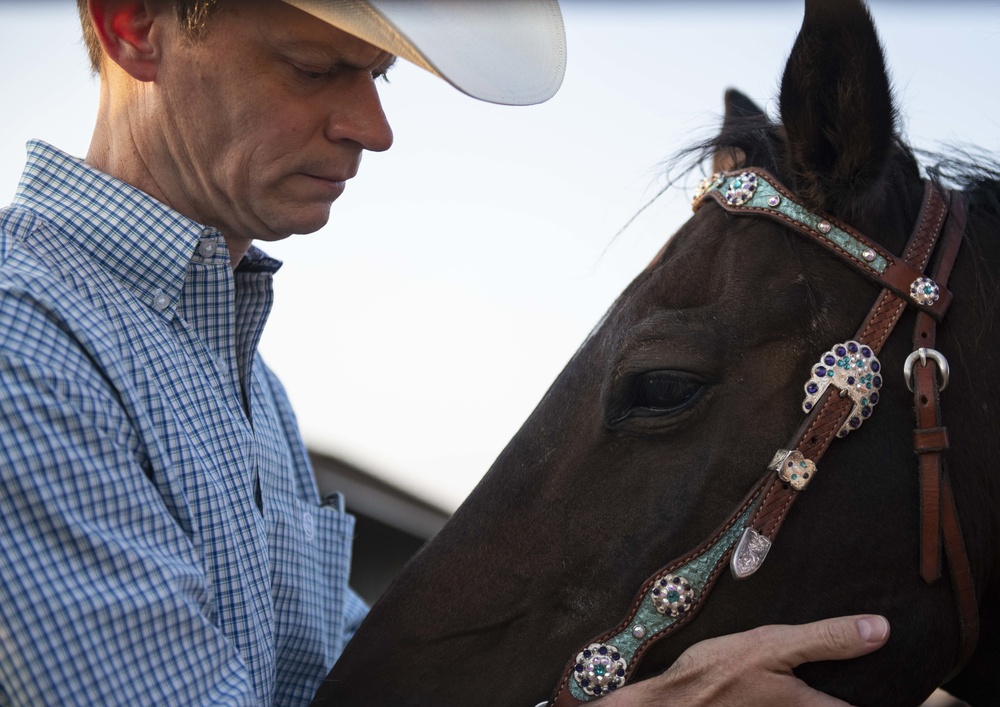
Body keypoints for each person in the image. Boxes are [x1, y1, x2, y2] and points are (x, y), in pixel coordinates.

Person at [0, 1, 888, 704]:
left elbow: (348, 686)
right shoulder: (24, 343)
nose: (374, 127)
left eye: (379, 75)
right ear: (132, 27)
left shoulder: (245, 383)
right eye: (316, 69)